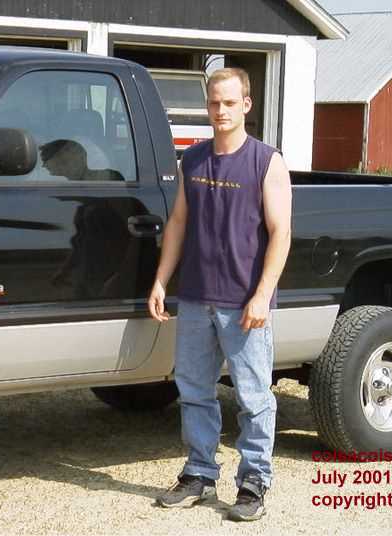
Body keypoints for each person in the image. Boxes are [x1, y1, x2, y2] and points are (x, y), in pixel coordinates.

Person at [148, 67, 292, 522]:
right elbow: (178, 224)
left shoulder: (265, 161)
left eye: (230, 103)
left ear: (247, 105)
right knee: (193, 390)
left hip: (243, 302)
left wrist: (262, 294)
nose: (221, 111)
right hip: (195, 297)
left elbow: (281, 232)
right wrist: (161, 281)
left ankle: (253, 483)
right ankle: (198, 474)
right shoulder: (192, 160)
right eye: (214, 103)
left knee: (252, 397)